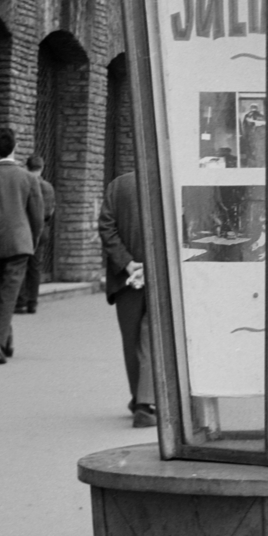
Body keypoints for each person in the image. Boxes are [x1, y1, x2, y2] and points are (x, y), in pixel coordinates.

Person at [0, 127, 44, 365]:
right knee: (9, 295)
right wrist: (32, 241)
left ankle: (4, 341)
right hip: (20, 244)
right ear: (15, 148)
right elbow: (37, 216)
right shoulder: (28, 178)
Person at [99, 169, 155, 427]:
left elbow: (106, 227)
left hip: (125, 278)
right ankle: (144, 403)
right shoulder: (167, 179)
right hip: (160, 275)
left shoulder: (118, 185)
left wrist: (128, 263)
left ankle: (139, 399)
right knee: (150, 336)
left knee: (131, 339)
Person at [14, 156, 57, 315]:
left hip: (24, 229)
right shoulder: (48, 187)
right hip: (42, 229)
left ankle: (20, 301)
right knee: (35, 267)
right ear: (42, 167)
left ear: (27, 166)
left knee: (20, 265)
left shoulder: (24, 184)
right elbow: (51, 209)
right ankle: (32, 302)